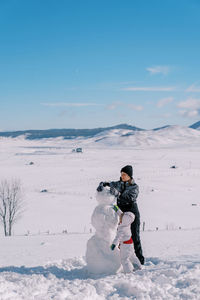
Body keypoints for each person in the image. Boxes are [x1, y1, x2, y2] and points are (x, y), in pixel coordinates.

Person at [97, 165, 145, 265]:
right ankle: (122, 260)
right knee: (120, 236)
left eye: (124, 174)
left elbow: (129, 198)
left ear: (129, 176)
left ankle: (140, 261)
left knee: (135, 236)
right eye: (121, 174)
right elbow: (107, 184)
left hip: (132, 212)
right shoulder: (118, 184)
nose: (122, 176)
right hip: (120, 212)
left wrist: (118, 194)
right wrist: (102, 185)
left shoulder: (134, 187)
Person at [110, 205, 142, 273]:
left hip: (125, 245)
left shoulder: (122, 229)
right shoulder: (126, 223)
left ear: (124, 220)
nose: (120, 217)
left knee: (124, 259)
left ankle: (128, 271)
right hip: (130, 243)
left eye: (121, 217)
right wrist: (117, 209)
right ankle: (138, 266)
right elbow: (121, 214)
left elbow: (118, 237)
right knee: (132, 256)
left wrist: (113, 244)